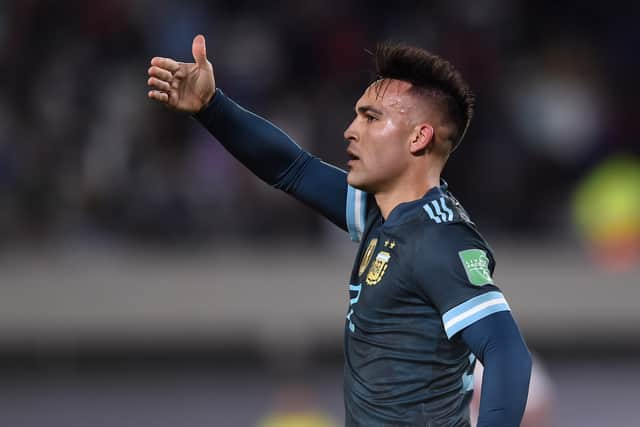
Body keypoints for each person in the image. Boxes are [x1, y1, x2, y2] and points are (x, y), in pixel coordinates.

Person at [147, 34, 532, 427]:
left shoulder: (437, 237)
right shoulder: (382, 213)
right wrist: (212, 107)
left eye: (371, 117)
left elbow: (507, 351)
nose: (350, 130)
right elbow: (292, 169)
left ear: (419, 137)